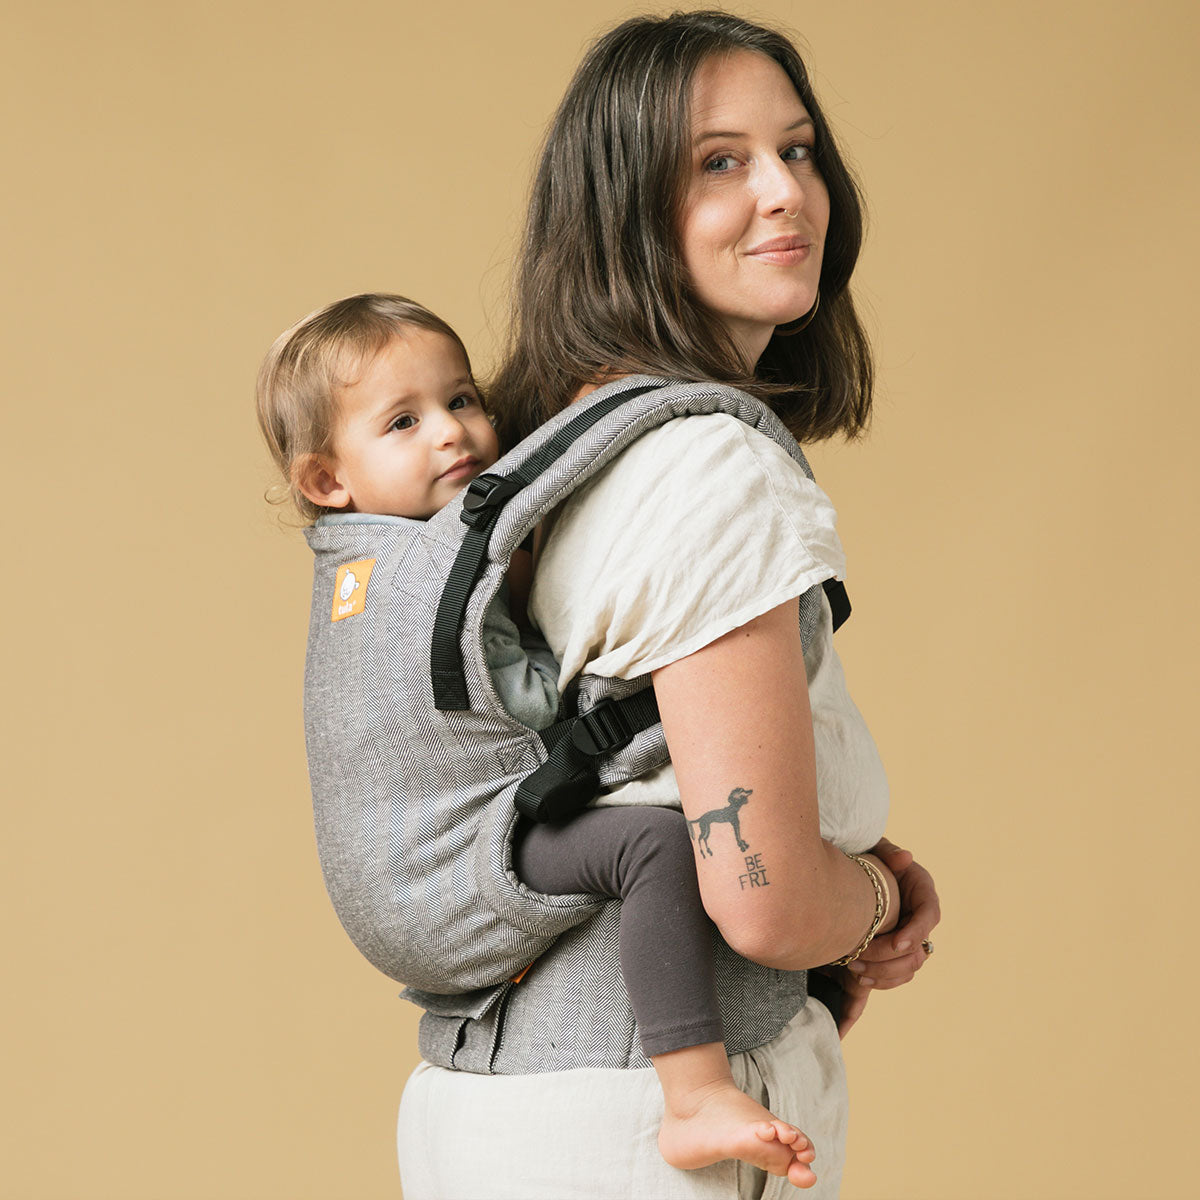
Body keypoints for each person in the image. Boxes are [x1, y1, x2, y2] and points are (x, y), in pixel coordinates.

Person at [395, 11, 940, 1200]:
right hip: (640, 1122)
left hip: (495, 1097)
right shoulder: (709, 466)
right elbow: (769, 898)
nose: (785, 194)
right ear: (623, 212)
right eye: (719, 163)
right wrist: (885, 899)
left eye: (797, 151)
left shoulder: (550, 448)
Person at [256, 291, 890, 1186]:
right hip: (453, 863)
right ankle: (695, 1091)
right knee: (652, 847)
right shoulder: (414, 582)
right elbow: (533, 711)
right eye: (404, 421)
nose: (452, 433)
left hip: (441, 965)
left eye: (462, 400)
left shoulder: (377, 570)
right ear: (328, 481)